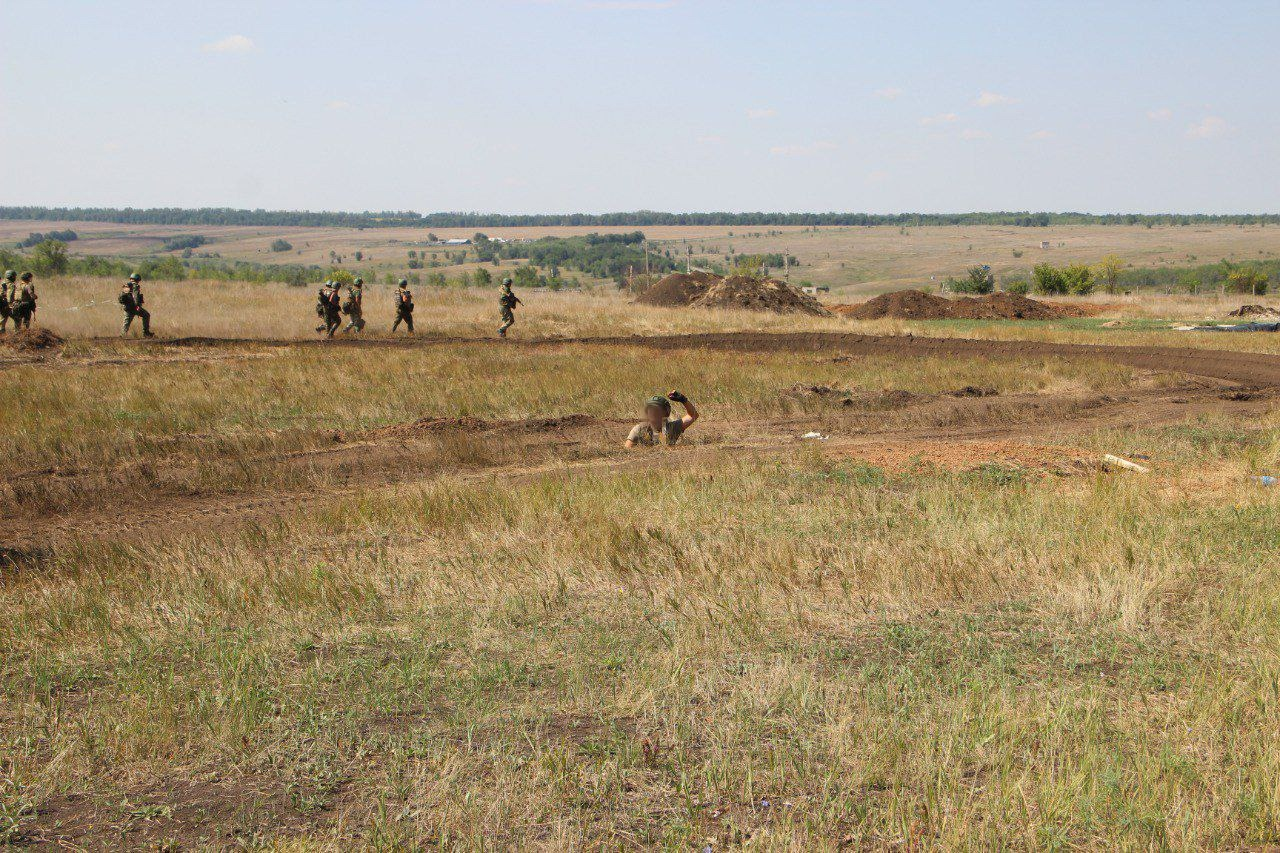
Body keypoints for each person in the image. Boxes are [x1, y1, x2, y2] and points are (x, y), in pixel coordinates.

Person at [624, 390, 699, 448]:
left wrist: (683, 399)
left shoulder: (672, 428)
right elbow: (628, 450)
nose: (653, 413)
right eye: (651, 410)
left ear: (666, 412)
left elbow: (693, 415)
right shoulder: (639, 430)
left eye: (657, 410)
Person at [120, 272, 154, 338]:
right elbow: (135, 296)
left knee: (126, 322)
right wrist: (137, 306)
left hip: (126, 307)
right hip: (134, 307)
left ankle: (123, 335)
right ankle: (146, 333)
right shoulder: (135, 286)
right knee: (146, 315)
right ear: (138, 279)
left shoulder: (126, 285)